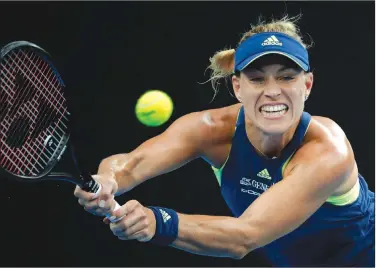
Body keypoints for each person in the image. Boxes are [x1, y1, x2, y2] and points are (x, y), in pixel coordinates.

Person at [74, 15, 375, 266]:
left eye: (286, 77)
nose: (272, 91)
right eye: (257, 79)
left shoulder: (327, 151)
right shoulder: (210, 129)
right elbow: (129, 165)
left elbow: (245, 236)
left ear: (306, 85)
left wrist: (157, 222)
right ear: (237, 87)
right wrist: (106, 180)